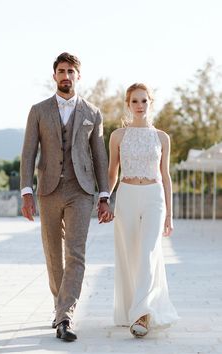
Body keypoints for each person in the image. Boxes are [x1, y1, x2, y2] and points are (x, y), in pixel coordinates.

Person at [20, 52, 113, 342]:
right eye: (61, 71)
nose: (66, 75)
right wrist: (26, 192)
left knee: (76, 253)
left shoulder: (93, 113)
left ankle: (65, 316)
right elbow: (28, 153)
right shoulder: (38, 110)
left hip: (81, 190)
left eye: (71, 71)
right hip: (48, 190)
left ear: (78, 76)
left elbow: (100, 156)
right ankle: (60, 307)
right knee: (52, 254)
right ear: (54, 76)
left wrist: (104, 195)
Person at [108, 83, 179, 338]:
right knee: (130, 254)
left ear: (150, 103)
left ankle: (142, 314)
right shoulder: (118, 136)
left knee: (148, 253)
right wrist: (105, 198)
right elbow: (112, 172)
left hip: (154, 197)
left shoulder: (161, 137)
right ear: (128, 104)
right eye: (134, 101)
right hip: (126, 195)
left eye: (143, 101)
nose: (139, 106)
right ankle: (132, 308)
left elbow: (166, 176)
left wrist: (169, 215)